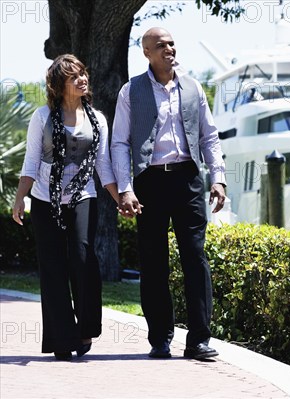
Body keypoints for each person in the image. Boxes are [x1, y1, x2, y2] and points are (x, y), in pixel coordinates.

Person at [111, 27, 227, 360]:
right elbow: (119, 142)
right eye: (160, 45)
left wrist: (217, 178)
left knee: (195, 256)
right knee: (153, 262)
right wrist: (126, 188)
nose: (169, 49)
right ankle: (160, 338)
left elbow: (209, 137)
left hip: (188, 179)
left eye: (172, 43)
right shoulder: (130, 91)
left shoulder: (193, 88)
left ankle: (199, 340)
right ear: (147, 52)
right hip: (149, 181)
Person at [12, 54, 119, 361]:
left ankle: (84, 328)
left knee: (84, 256)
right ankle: (61, 337)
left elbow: (103, 166)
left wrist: (121, 197)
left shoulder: (97, 119)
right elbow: (32, 161)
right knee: (53, 268)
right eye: (74, 77)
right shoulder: (42, 116)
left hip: (83, 195)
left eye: (83, 73)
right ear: (60, 86)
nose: (82, 79)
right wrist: (21, 197)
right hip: (45, 199)